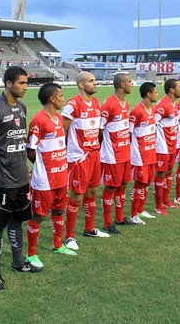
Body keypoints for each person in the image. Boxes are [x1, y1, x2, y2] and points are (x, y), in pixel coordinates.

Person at [0, 66, 40, 293]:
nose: (25, 87)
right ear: (8, 83)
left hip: (21, 178)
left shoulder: (21, 108)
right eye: (22, 83)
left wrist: (23, 167)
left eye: (26, 83)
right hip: (0, 181)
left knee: (18, 220)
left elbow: (20, 143)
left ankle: (18, 262)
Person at [25, 83, 75, 271]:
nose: (63, 98)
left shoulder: (59, 119)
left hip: (61, 175)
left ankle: (57, 245)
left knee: (59, 210)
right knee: (38, 215)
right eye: (61, 96)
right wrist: (40, 168)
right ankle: (31, 253)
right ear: (52, 99)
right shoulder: (39, 120)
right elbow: (31, 150)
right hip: (45, 179)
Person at [61, 71, 110, 245]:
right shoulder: (72, 105)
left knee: (92, 192)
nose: (95, 83)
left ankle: (89, 229)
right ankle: (69, 236)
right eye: (91, 81)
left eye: (95, 80)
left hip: (94, 154)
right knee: (76, 196)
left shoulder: (96, 103)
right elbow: (61, 132)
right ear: (81, 85)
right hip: (79, 157)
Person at [99, 73, 135, 233]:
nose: (131, 84)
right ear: (121, 84)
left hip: (125, 152)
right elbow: (99, 130)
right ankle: (107, 223)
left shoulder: (125, 103)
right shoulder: (109, 104)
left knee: (122, 185)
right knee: (111, 188)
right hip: (112, 154)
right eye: (129, 81)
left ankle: (119, 218)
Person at [129, 82, 160, 215]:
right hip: (140, 155)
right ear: (148, 94)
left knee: (147, 182)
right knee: (139, 184)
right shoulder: (137, 111)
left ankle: (141, 210)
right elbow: (129, 133)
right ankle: (134, 214)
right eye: (156, 92)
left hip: (151, 152)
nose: (157, 94)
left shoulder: (153, 109)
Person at [154, 79, 180, 207]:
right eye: (179, 87)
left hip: (172, 144)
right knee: (161, 173)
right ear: (172, 90)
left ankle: (166, 200)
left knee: (169, 171)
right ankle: (158, 205)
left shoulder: (174, 104)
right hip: (163, 146)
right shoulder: (162, 105)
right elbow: (153, 124)